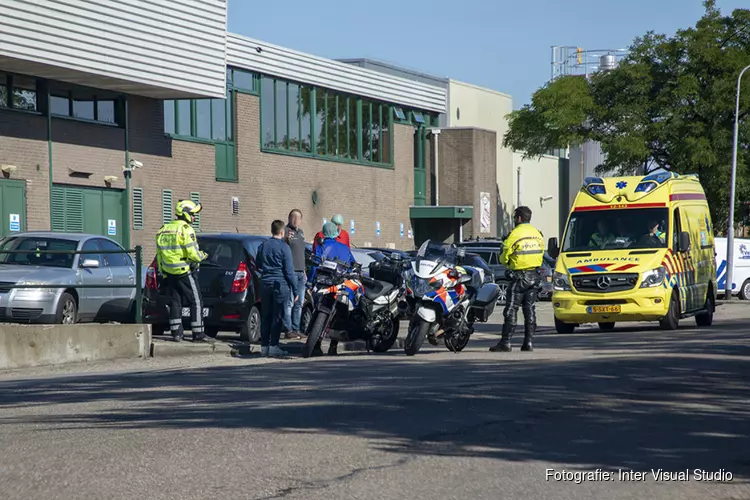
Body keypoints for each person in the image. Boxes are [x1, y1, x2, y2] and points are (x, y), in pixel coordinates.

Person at [490, 206, 545, 353]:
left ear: (519, 218)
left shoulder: (514, 234)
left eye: (515, 218)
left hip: (519, 277)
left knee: (511, 309)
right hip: (535, 276)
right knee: (530, 310)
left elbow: (503, 257)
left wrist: (508, 263)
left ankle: (506, 342)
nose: (514, 220)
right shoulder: (537, 234)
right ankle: (528, 343)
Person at [155, 199, 210, 343]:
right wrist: (202, 256)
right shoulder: (186, 229)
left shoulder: (164, 229)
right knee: (196, 301)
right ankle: (198, 334)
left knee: (175, 301)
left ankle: (176, 333)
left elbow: (159, 254)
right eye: (193, 214)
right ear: (185, 214)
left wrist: (164, 272)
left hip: (169, 272)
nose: (194, 217)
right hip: (185, 271)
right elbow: (192, 253)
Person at [312, 221, 356, 356]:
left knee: (318, 310)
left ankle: (316, 345)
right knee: (340, 314)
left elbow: (315, 265)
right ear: (336, 235)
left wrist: (310, 282)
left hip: (324, 284)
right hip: (339, 284)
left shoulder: (321, 246)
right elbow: (353, 264)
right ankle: (333, 346)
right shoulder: (344, 248)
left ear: (324, 234)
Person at [256, 220, 297, 357]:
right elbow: (289, 271)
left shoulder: (263, 246)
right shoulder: (284, 247)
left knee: (266, 315)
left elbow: (258, 265)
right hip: (280, 284)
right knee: (277, 316)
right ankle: (274, 345)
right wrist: (295, 289)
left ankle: (264, 347)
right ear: (282, 232)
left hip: (265, 283)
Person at [283, 209, 307, 339]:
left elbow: (301, 253)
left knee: (299, 303)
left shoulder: (301, 233)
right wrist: (286, 240)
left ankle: (296, 329)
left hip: (301, 273)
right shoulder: (286, 232)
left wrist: (304, 271)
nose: (295, 221)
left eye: (298, 218)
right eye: (293, 218)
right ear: (289, 218)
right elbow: (282, 248)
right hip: (291, 272)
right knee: (289, 302)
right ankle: (288, 330)